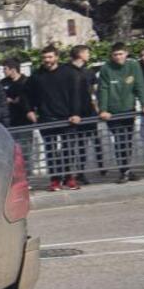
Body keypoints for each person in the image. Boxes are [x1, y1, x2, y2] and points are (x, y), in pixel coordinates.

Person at [27, 45, 86, 191]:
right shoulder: (36, 76)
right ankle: (55, 179)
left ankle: (69, 178)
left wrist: (76, 113)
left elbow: (77, 95)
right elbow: (26, 94)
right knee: (51, 151)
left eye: (50, 57)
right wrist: (29, 111)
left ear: (57, 57)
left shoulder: (69, 73)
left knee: (69, 149)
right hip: (47, 117)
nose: (47, 60)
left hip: (67, 117)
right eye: (44, 57)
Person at [97, 43, 144, 183]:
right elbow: (103, 90)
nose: (118, 57)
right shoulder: (106, 68)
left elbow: (139, 86)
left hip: (128, 109)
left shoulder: (133, 66)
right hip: (113, 112)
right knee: (119, 141)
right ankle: (123, 170)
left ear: (126, 54)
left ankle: (127, 169)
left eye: (121, 54)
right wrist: (103, 109)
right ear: (111, 56)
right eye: (115, 54)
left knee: (127, 141)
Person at [69, 45, 102, 181]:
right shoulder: (67, 72)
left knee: (94, 139)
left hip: (89, 110)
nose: (89, 55)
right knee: (78, 143)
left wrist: (98, 106)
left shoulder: (89, 72)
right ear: (80, 54)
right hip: (74, 112)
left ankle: (101, 165)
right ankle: (79, 172)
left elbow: (95, 91)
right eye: (87, 53)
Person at [1, 58, 32, 127]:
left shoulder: (26, 81)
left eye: (5, 69)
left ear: (13, 70)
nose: (3, 71)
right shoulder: (3, 83)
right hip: (10, 120)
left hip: (24, 120)